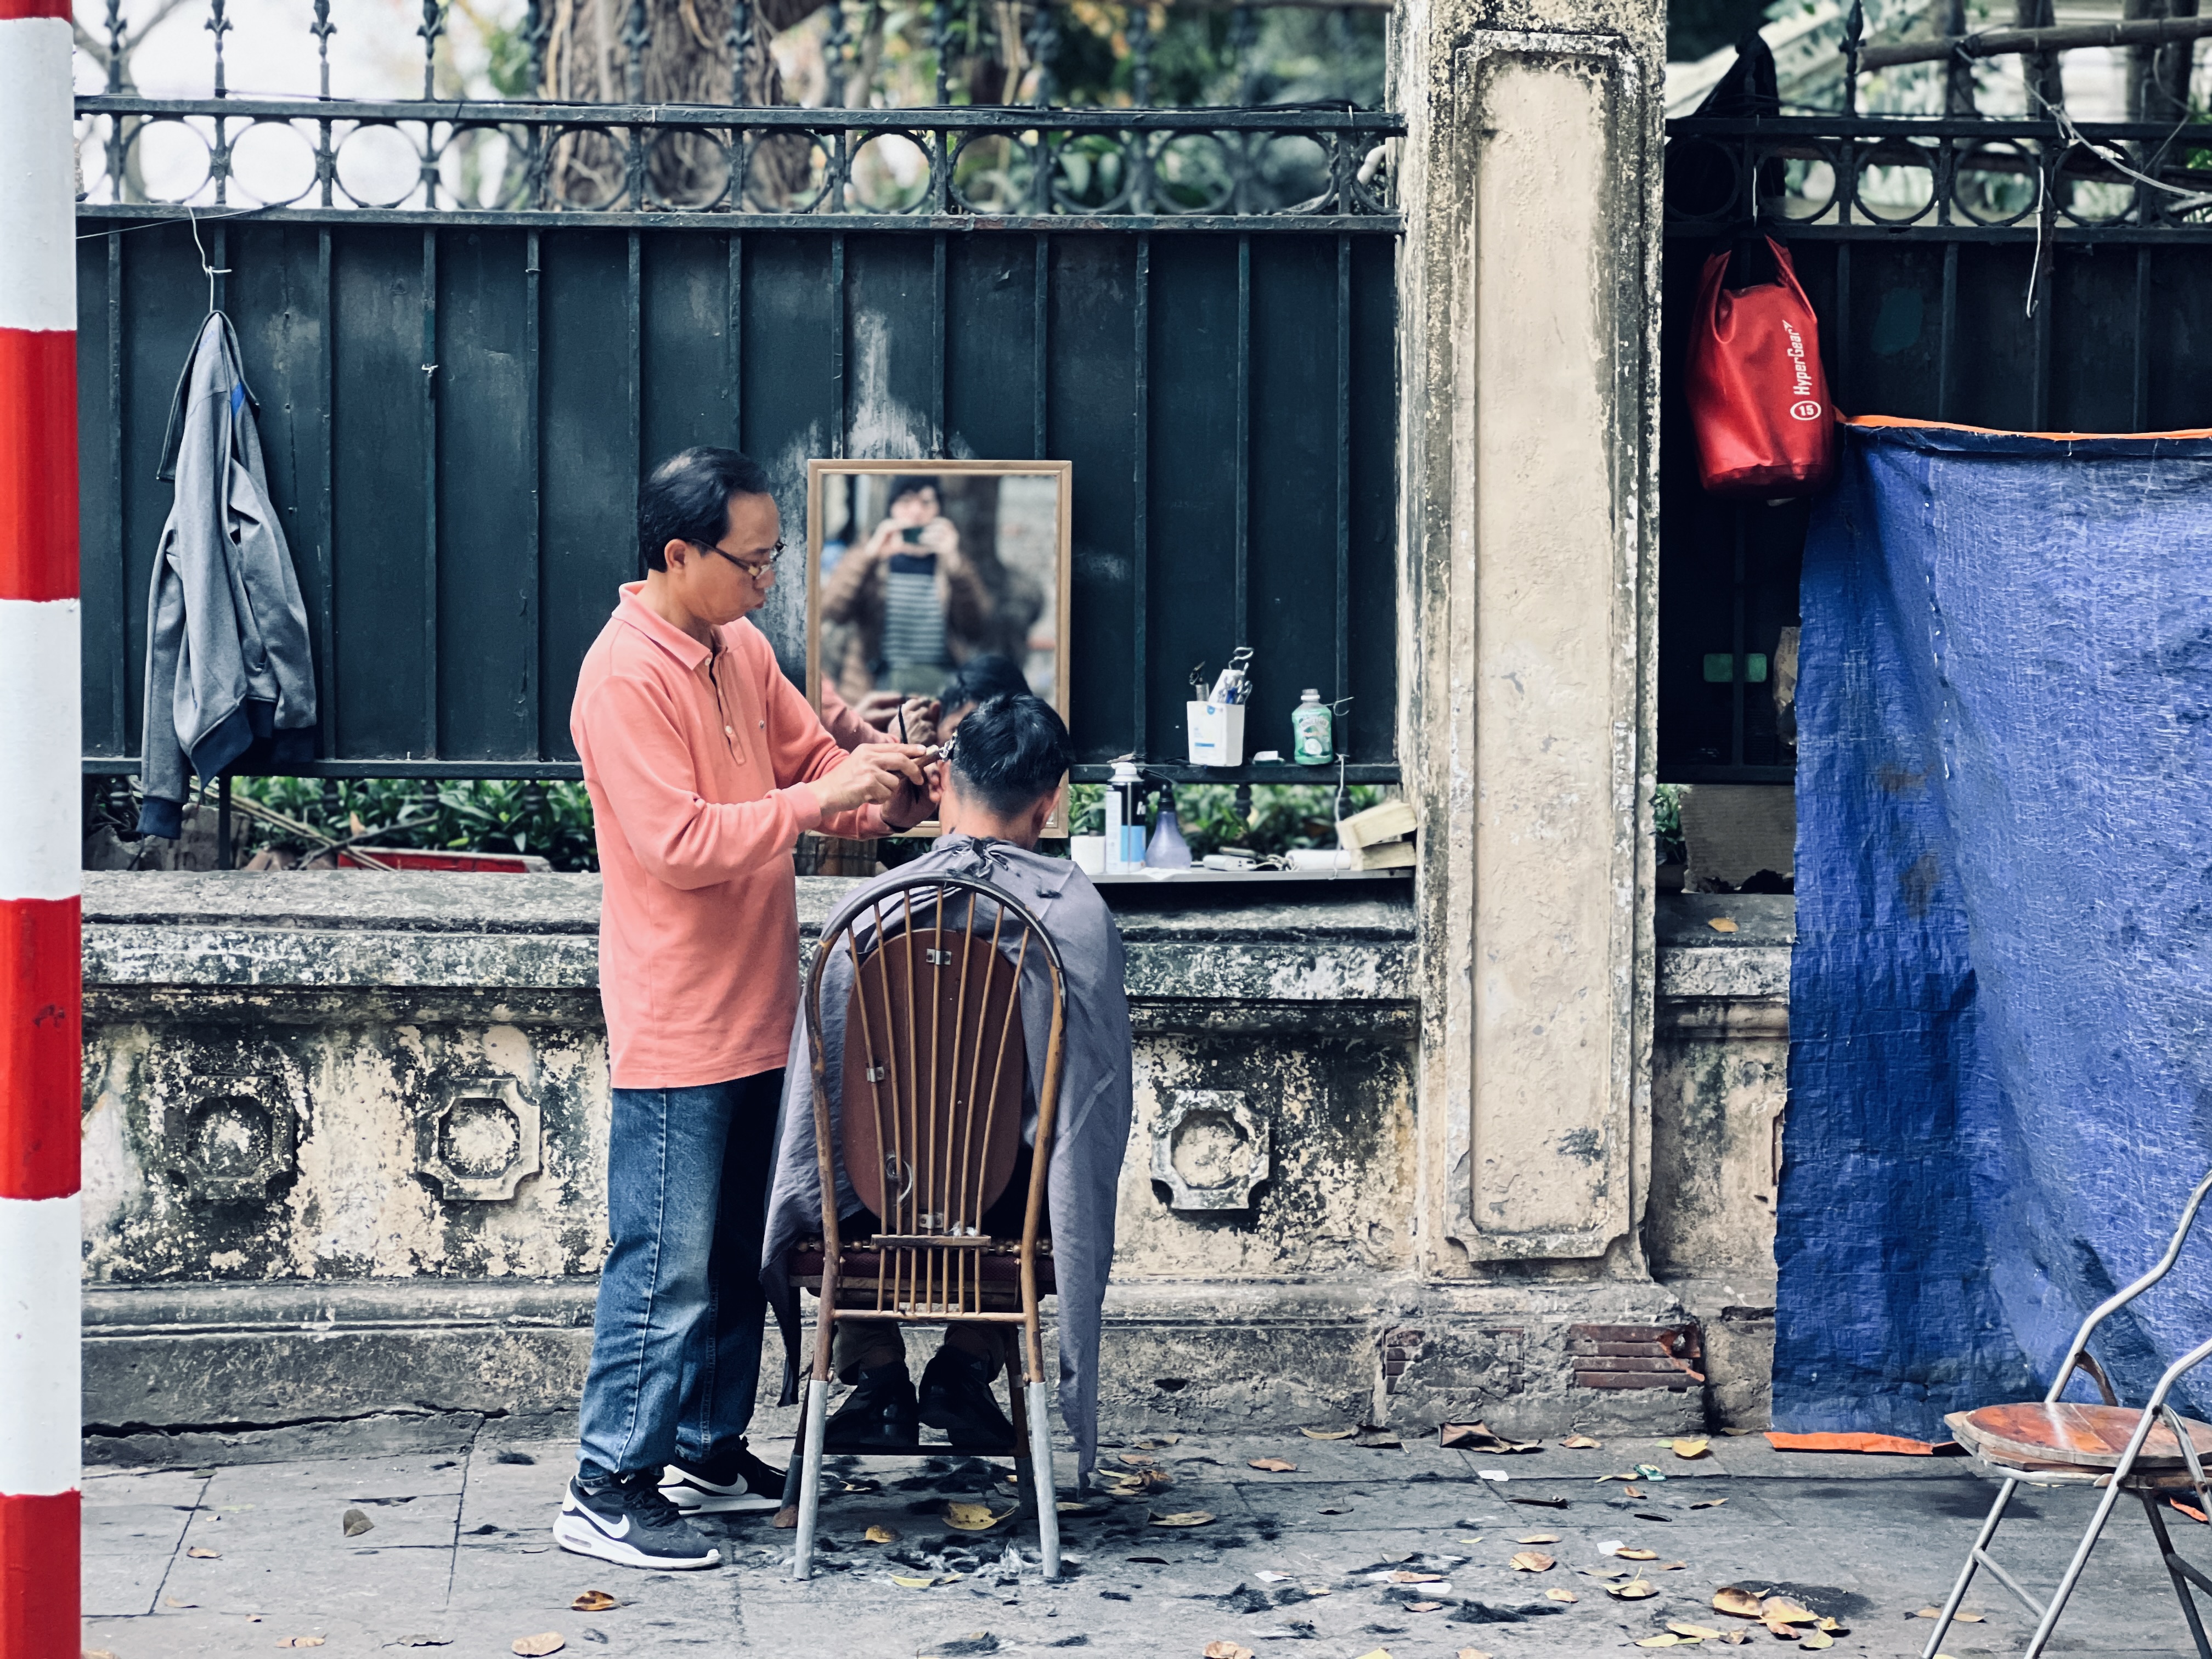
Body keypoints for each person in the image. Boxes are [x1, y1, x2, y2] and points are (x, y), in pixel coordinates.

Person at [554, 447, 936, 1572]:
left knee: (734, 1257)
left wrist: (883, 783)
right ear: (680, 556)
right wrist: (821, 794)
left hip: (760, 1008)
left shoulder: (741, 648)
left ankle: (702, 1446)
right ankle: (605, 1482)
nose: (769, 579)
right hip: (675, 1021)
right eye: (753, 559)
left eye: (775, 556)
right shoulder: (622, 676)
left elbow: (814, 764)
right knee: (662, 1261)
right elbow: (679, 845)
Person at [761, 695, 1134, 1488]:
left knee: (856, 1153)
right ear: (1051, 800)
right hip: (1005, 1213)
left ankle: (873, 1370)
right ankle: (967, 1364)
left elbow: (813, 1113)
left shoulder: (866, 914)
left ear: (943, 783)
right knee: (1039, 1160)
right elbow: (1089, 1116)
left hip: (869, 1207)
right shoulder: (1075, 917)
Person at [821, 476, 993, 704]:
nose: (916, 512)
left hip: (940, 685)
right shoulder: (872, 559)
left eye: (927, 502)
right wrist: (869, 556)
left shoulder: (951, 562)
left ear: (940, 509)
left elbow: (977, 627)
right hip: (876, 684)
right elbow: (832, 610)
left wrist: (955, 566)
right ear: (891, 508)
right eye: (906, 501)